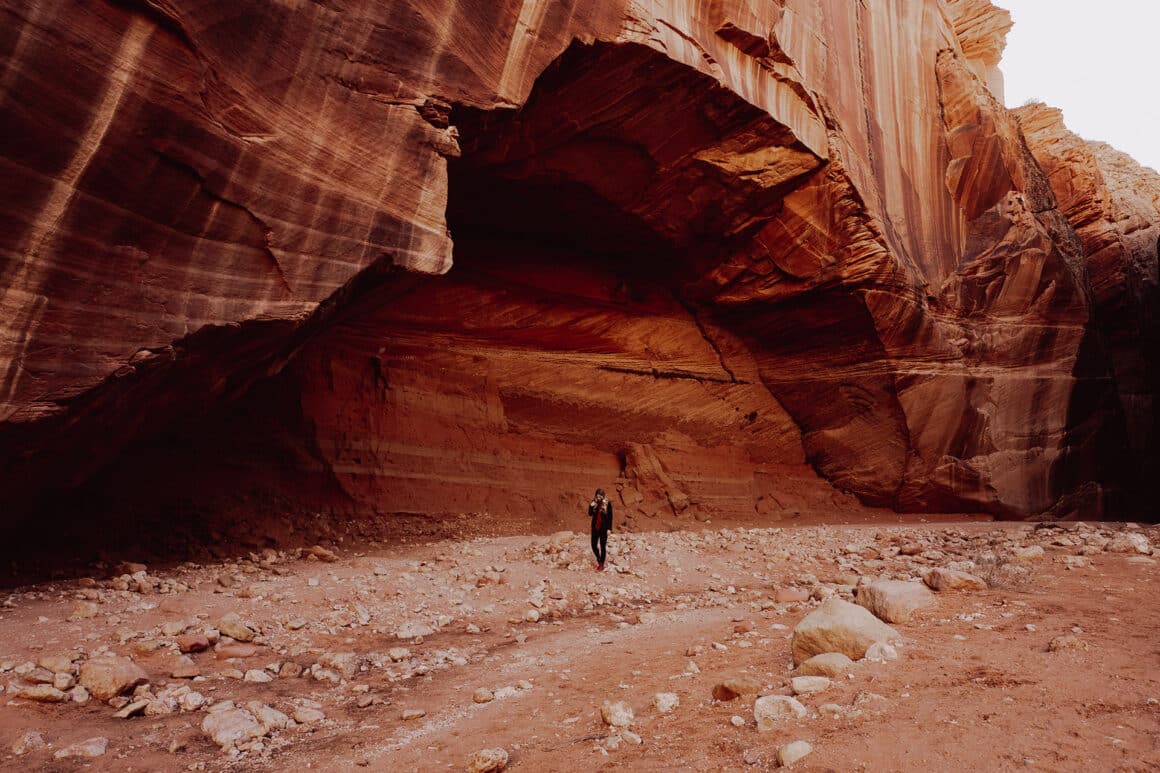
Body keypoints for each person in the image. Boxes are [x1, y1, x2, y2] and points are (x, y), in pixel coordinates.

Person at [588, 488, 613, 570]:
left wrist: (609, 528)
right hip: (595, 527)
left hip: (604, 528)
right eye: (597, 496)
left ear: (603, 496)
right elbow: (590, 514)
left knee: (603, 546)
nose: (598, 497)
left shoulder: (607, 503)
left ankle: (601, 564)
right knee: (593, 545)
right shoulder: (594, 502)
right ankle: (599, 559)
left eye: (600, 496)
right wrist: (591, 506)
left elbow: (610, 517)